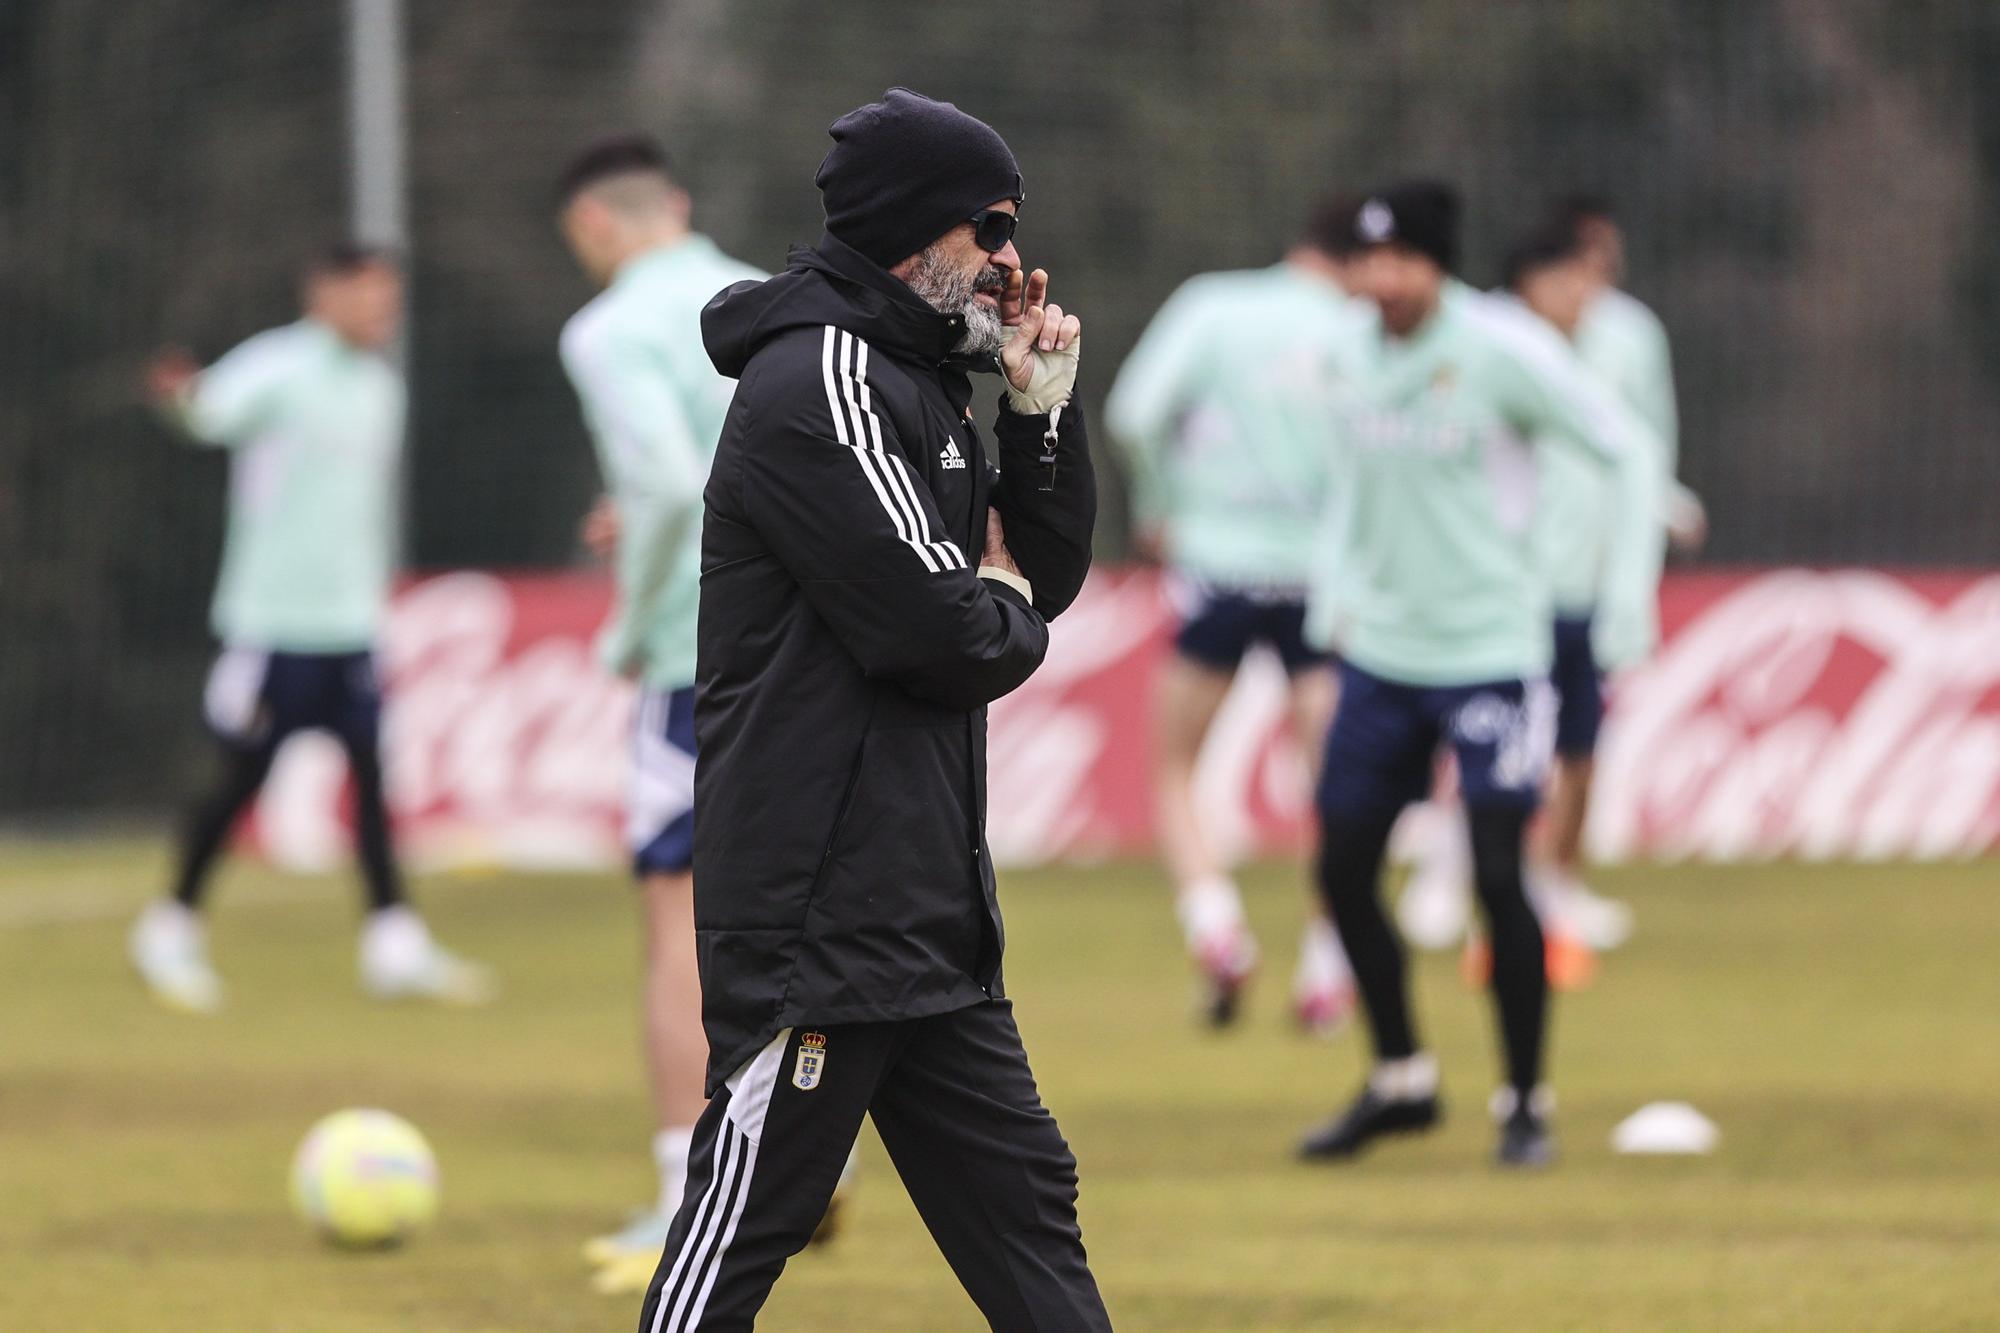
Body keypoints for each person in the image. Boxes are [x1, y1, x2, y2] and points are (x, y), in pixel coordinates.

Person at [636, 89, 1109, 1331]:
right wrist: (998, 589)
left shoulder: (916, 375)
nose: (1011, 258)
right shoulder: (823, 381)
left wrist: (1040, 415)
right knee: (741, 1231)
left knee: (1028, 1215)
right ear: (915, 229)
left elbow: (1034, 582)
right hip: (821, 920)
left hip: (927, 915)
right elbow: (945, 635)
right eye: (990, 227)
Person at [1297, 183, 1665, 1168]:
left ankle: (1523, 1103)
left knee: (1501, 877)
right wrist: (1335, 588)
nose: (1380, 280)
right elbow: (1341, 485)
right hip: (1380, 653)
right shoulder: (1343, 351)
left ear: (1437, 265)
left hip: (1491, 657)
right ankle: (1400, 1080)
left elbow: (1622, 448)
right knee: (1339, 868)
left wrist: (1618, 585)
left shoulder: (1503, 352)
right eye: (1368, 262)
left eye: (1401, 261)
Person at [130, 244, 493, 1013]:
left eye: (390, 299)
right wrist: (180, 395)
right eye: (368, 296)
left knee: (370, 782)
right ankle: (170, 927)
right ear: (324, 292)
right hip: (272, 625)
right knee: (239, 781)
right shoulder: (276, 364)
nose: (382, 313)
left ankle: (393, 942)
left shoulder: (379, 388)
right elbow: (207, 410)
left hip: (351, 625)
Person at [553, 135, 786, 1295]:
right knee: (815, 914)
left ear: (590, 225)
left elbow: (660, 483)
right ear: (678, 207)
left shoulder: (607, 329)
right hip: (812, 650)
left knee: (675, 925)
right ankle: (804, 1163)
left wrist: (630, 628)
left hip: (696, 658)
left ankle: (681, 1195)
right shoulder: (769, 298)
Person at [1105, 195, 1364, 1031]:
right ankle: (1327, 972)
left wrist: (1159, 503)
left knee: (1175, 768)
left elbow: (1133, 413)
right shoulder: (1360, 329)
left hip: (1219, 569)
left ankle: (1217, 927)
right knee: (1341, 791)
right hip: (1322, 580)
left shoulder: (1215, 305)